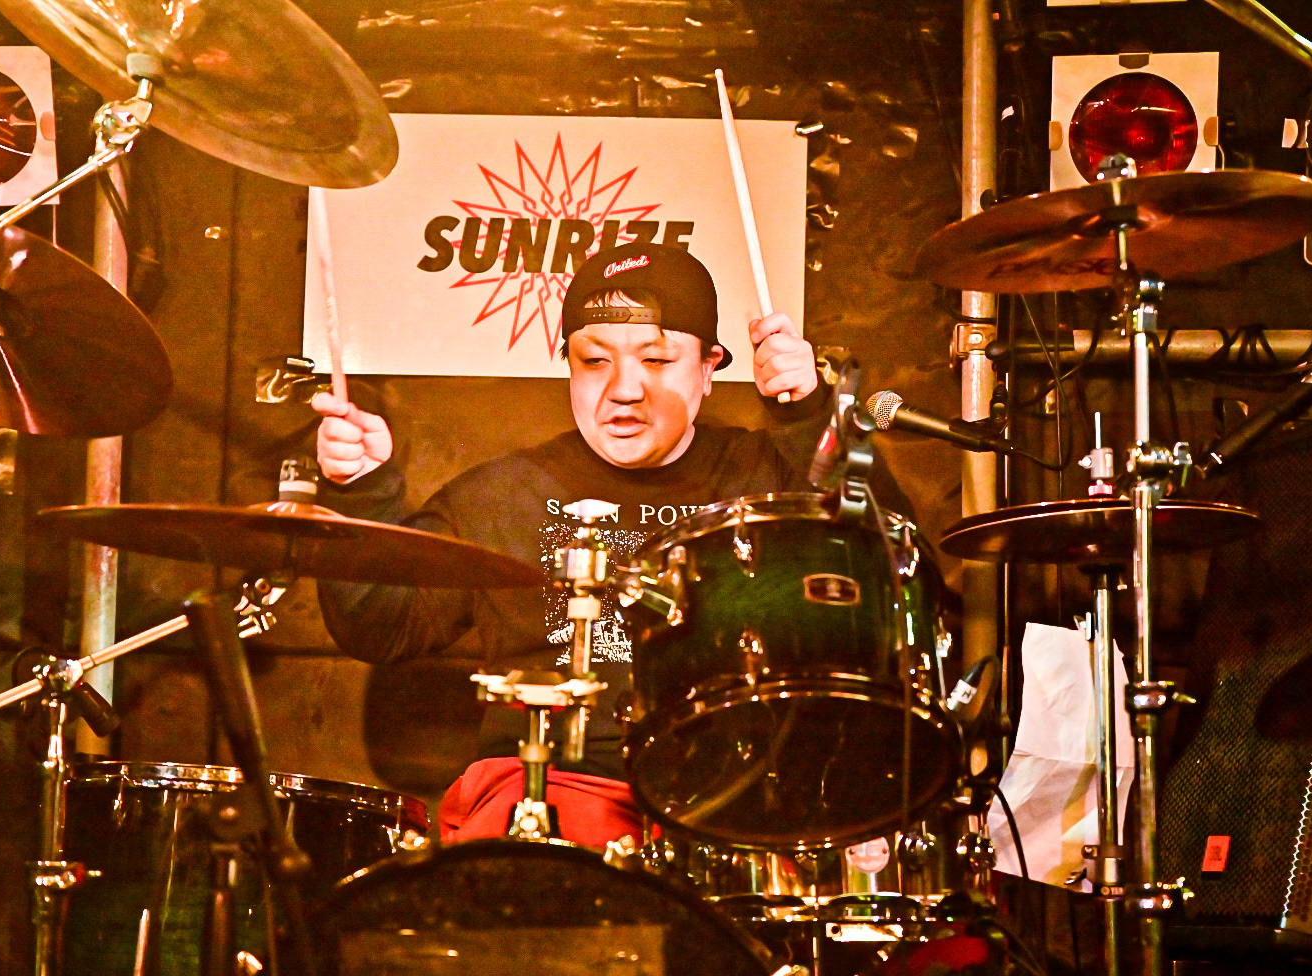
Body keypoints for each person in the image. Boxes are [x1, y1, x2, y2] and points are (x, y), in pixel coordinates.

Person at [310, 241, 904, 848]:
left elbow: (895, 577)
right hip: (552, 797)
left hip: (742, 794)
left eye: (657, 359)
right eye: (594, 361)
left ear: (708, 369)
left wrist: (811, 420)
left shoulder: (769, 473)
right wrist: (362, 492)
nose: (623, 388)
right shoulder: (501, 495)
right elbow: (379, 627)